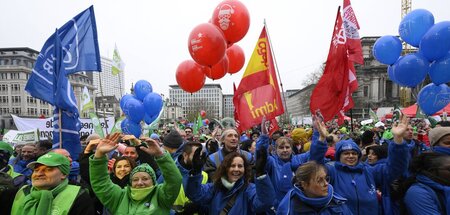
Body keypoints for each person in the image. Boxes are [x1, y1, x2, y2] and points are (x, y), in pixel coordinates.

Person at [312, 114, 410, 215]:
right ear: (338, 156)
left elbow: (395, 168)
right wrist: (321, 139)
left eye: (354, 153)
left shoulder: (369, 171)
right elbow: (314, 166)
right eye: (346, 153)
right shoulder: (332, 172)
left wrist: (398, 140)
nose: (351, 156)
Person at [89, 133, 182, 214]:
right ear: (130, 182)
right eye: (135, 179)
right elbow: (100, 183)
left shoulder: (161, 197)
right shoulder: (120, 198)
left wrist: (161, 156)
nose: (140, 182)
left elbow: (174, 180)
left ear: (153, 181)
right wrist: (99, 155)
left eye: (145, 179)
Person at [184, 148, 276, 214]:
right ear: (225, 168)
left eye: (240, 166)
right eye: (232, 166)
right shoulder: (214, 187)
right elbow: (195, 195)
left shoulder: (249, 189)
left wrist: (261, 174)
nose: (236, 169)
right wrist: (196, 172)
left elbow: (265, 203)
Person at [11, 152, 94, 214]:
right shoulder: (19, 192)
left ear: (64, 174)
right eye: (36, 170)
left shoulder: (79, 197)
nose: (39, 174)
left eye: (48, 169)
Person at [277, 161, 352, 214]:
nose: (326, 184)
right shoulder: (290, 207)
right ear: (304, 184)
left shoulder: (338, 203)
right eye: (319, 181)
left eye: (326, 179)